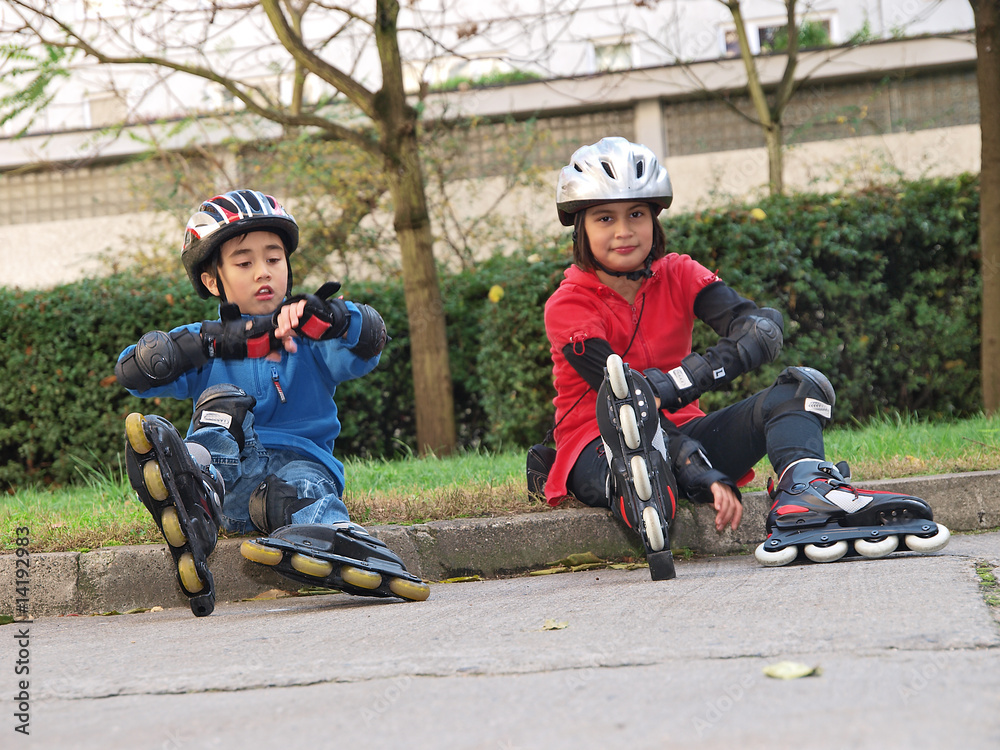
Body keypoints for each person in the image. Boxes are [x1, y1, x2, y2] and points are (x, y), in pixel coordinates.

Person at [533, 136, 949, 580]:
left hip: (687, 429)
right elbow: (625, 399)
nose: (623, 230)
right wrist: (698, 467)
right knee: (636, 443)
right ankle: (642, 488)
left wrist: (677, 385)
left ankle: (805, 490)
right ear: (581, 229)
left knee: (801, 388)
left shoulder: (679, 273)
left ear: (654, 218)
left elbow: (759, 331)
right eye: (605, 218)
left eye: (636, 214)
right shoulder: (568, 306)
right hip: (598, 441)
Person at [116, 189, 429, 616]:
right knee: (223, 403)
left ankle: (333, 533)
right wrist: (204, 344)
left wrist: (334, 318)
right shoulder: (205, 341)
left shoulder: (310, 333)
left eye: (274, 258)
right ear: (212, 280)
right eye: (244, 263)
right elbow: (134, 372)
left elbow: (369, 342)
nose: (263, 271)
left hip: (294, 480)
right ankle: (193, 486)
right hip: (226, 483)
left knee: (302, 487)